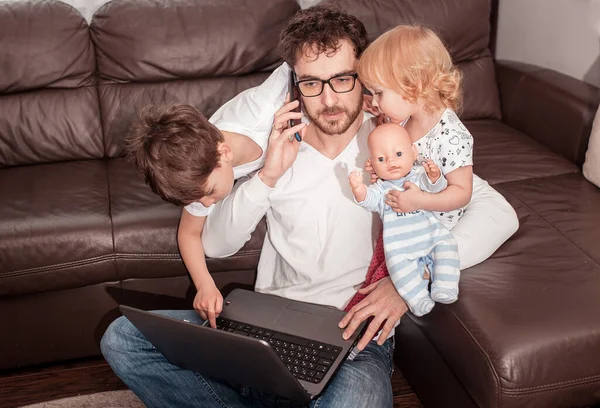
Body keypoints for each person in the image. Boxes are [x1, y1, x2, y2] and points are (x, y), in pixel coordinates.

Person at [101, 5, 518, 408]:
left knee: (361, 401)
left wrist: (409, 285)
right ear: (294, 85)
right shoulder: (274, 143)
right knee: (123, 338)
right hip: (261, 326)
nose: (329, 98)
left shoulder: (394, 145)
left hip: (353, 335)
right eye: (312, 83)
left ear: (366, 78)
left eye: (342, 79)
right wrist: (267, 177)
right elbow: (215, 244)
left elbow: (497, 212)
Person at [124, 100, 305, 329]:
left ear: (224, 153)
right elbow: (189, 232)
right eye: (198, 201)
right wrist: (204, 285)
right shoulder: (199, 169)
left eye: (209, 193)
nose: (207, 204)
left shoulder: (263, 109)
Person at [346, 24, 476, 310]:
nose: (376, 102)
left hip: (436, 223)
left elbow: (462, 192)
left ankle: (440, 283)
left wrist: (422, 199)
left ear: (412, 86)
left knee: (442, 251)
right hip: (405, 216)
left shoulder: (451, 135)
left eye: (379, 93)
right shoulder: (401, 118)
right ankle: (417, 298)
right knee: (396, 258)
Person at [348, 124, 460, 316]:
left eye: (398, 154)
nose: (391, 161)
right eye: (382, 159)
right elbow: (369, 201)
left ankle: (445, 285)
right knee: (399, 271)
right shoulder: (382, 189)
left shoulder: (418, 176)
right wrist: (359, 189)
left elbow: (435, 190)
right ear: (372, 164)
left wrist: (435, 177)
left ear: (413, 152)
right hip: (400, 246)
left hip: (431, 234)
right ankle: (417, 299)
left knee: (447, 245)